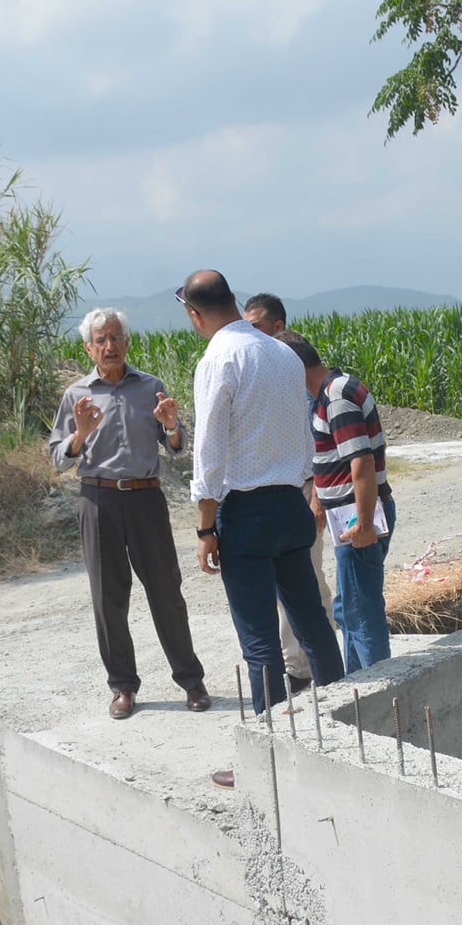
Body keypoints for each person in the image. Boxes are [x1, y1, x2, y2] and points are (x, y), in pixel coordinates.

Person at [179, 270, 343, 739]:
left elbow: (209, 452)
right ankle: (347, 730)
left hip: (245, 512)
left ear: (194, 315)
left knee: (260, 643)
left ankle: (271, 755)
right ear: (233, 299)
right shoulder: (283, 354)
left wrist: (205, 529)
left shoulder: (218, 359)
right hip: (292, 503)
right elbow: (303, 438)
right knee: (313, 625)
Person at [46, 308, 211, 720]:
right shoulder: (76, 395)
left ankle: (191, 681)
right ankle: (122, 686)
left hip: (145, 500)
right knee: (108, 599)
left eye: (116, 337)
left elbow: (177, 446)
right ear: (88, 348)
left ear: (127, 342)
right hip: (97, 500)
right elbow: (58, 458)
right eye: (100, 340)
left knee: (166, 593)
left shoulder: (150, 387)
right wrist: (80, 434)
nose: (110, 346)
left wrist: (171, 427)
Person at [278, 331, 395, 671]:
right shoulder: (329, 393)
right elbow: (336, 460)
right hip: (350, 515)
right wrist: (319, 501)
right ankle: (359, 682)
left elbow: (362, 462)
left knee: (361, 611)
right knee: (349, 607)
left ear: (294, 367)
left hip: (357, 516)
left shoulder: (337, 396)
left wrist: (364, 522)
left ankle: (378, 685)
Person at [244, 292, 338, 695]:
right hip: (276, 495)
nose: (249, 334)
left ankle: (319, 665)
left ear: (278, 326)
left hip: (303, 491)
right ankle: (299, 665)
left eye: (256, 326)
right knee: (285, 589)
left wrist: (317, 497)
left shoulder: (297, 376)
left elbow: (319, 445)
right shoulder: (265, 375)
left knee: (309, 582)